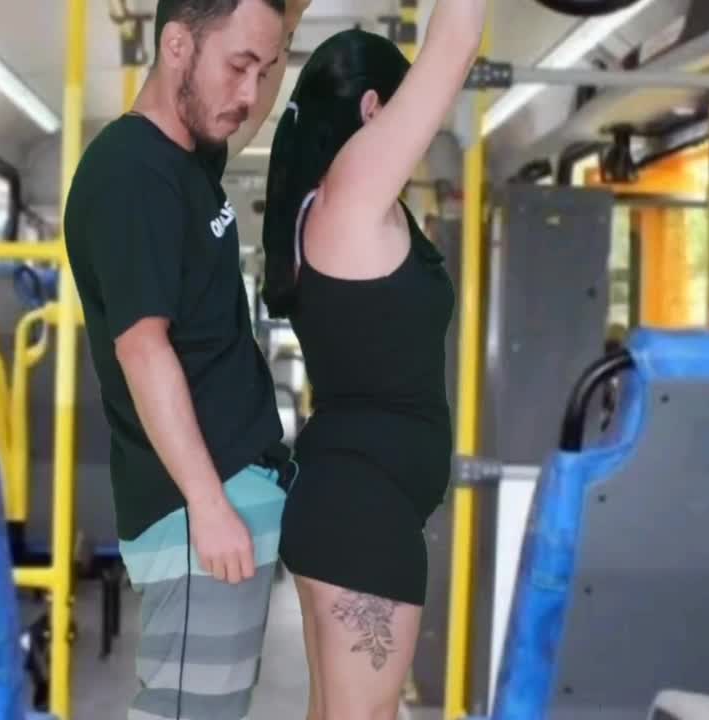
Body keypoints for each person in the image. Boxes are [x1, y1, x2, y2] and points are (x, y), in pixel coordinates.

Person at [63, 0, 309, 718]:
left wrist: (290, 16)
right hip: (197, 509)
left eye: (265, 70)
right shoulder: (130, 174)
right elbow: (142, 348)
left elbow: (249, 106)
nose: (250, 93)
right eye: (238, 67)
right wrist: (209, 503)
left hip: (225, 493)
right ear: (176, 46)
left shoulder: (188, 156)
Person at [260, 2, 486, 718]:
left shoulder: (330, 211)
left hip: (348, 503)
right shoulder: (352, 190)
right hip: (361, 513)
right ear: (372, 108)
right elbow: (455, 41)